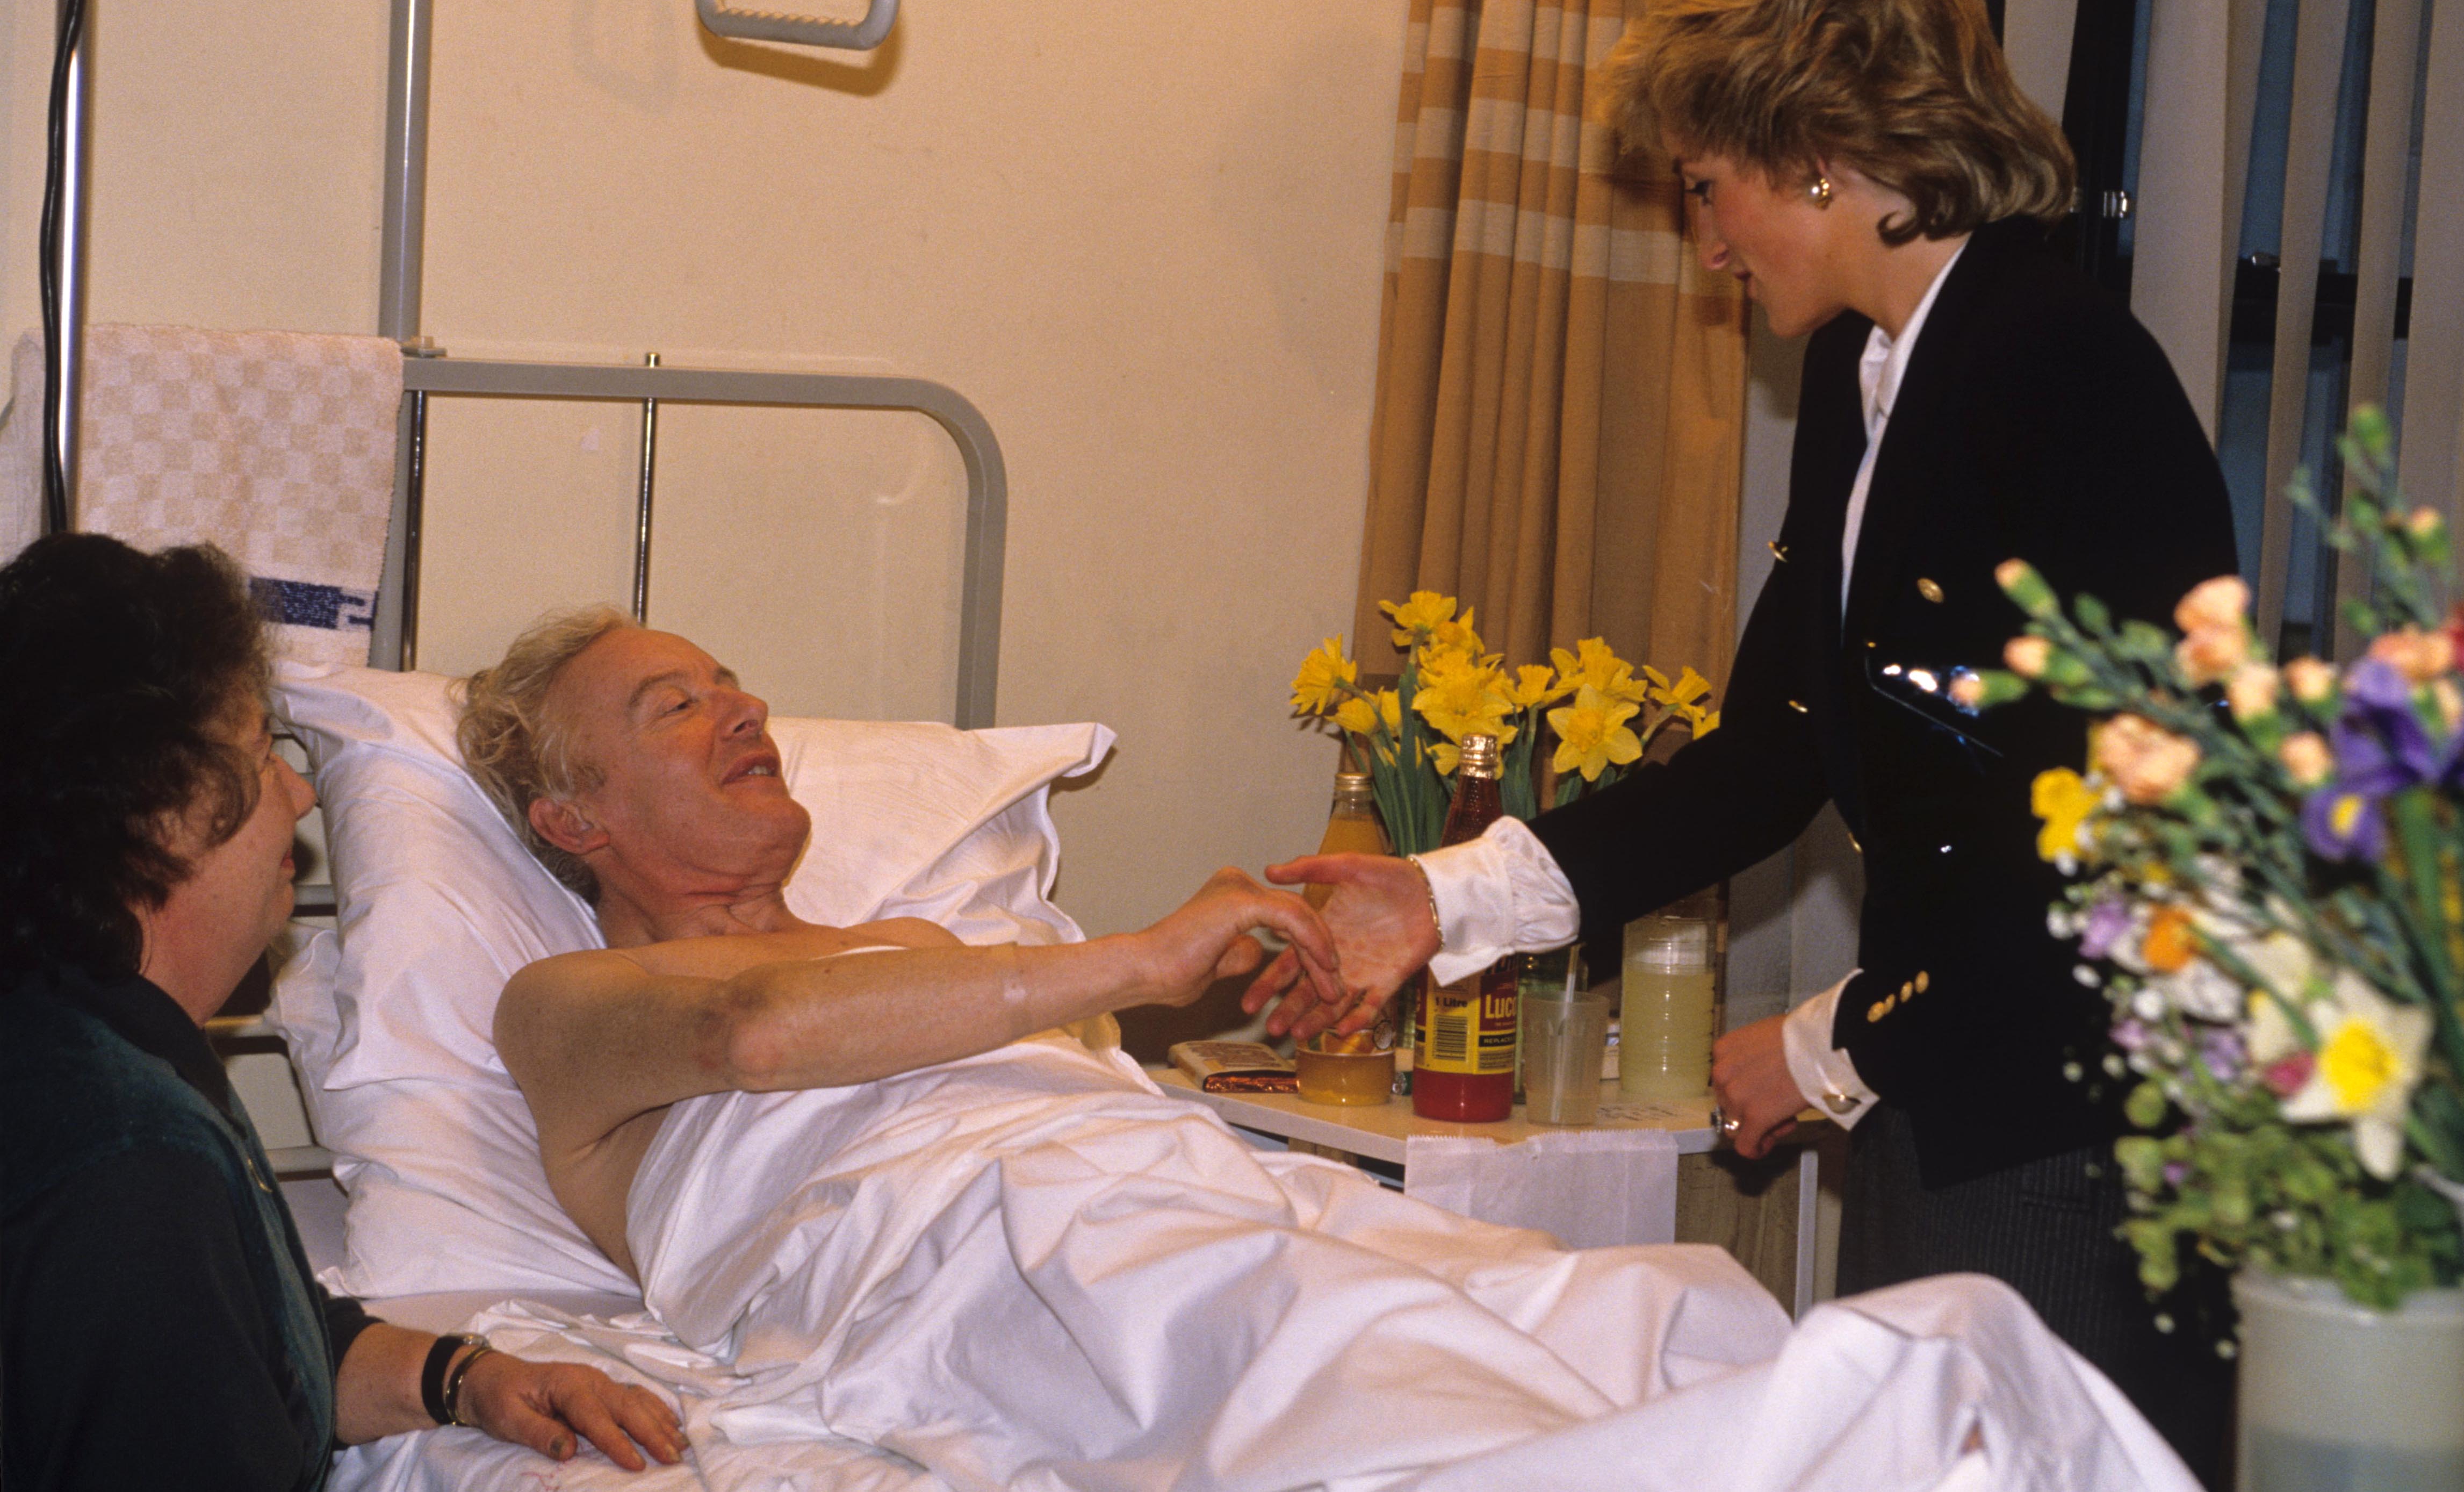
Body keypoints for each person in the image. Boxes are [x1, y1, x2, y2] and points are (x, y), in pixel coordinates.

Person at [1252, 0, 2240, 1476]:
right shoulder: (1871, 389)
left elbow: (2122, 834)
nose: (1706, 244)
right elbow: (1767, 751)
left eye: (1709, 190)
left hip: (2070, 1124)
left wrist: (1837, 1034)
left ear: (1819, 148)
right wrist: (1444, 899)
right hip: (1946, 1093)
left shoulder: (2062, 370)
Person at [457, 609, 2188, 1491]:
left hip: (1180, 1175)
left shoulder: (933, 949)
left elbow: (1044, 1055)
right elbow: (748, 1031)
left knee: (1605, 1298)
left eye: (735, 678)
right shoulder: (560, 1010)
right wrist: (1134, 959)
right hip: (984, 1246)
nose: (743, 706)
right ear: (570, 811)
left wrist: (1196, 979)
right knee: (1302, 1339)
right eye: (672, 705)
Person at [0, 534, 688, 1490]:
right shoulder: (132, 1162)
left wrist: (467, 1376)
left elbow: (251, 1341)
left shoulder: (81, 1037)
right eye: (259, 751)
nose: (298, 791)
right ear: (154, 808)